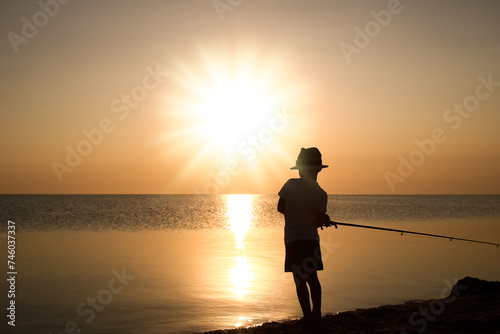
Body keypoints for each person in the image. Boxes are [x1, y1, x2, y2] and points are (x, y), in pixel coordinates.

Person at [277, 147, 332, 325]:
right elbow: (317, 222)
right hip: (310, 241)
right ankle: (317, 314)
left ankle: (307, 316)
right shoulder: (321, 194)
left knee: (299, 279)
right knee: (312, 278)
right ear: (318, 170)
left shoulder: (290, 184)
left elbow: (280, 208)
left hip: (292, 240)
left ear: (300, 169)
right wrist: (324, 220)